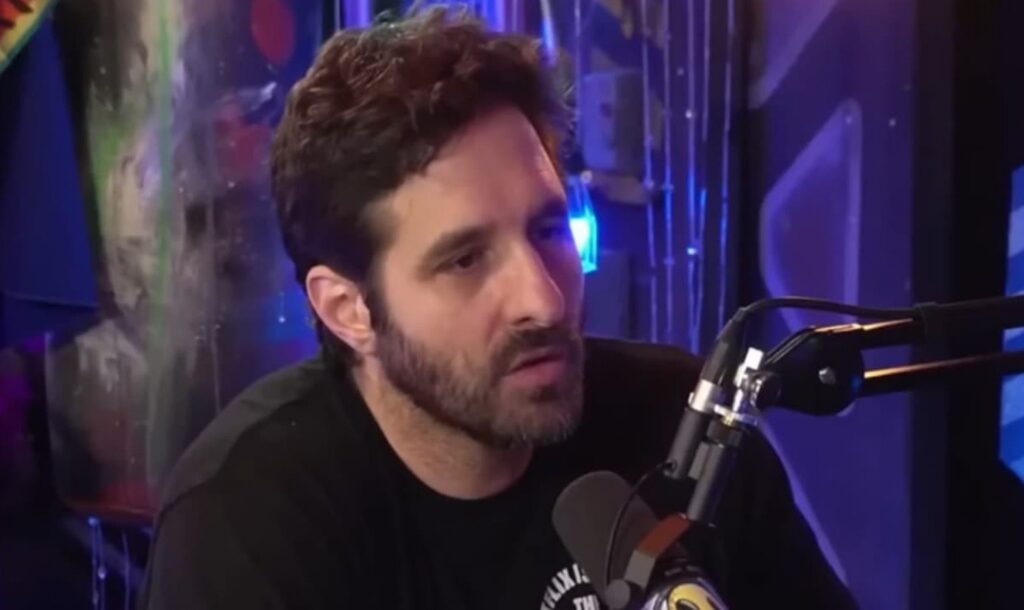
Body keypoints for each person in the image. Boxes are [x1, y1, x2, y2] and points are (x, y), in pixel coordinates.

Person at [139, 7, 856, 609]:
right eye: (464, 260)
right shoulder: (248, 519)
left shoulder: (686, 431)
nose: (543, 299)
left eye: (548, 230)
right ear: (348, 309)